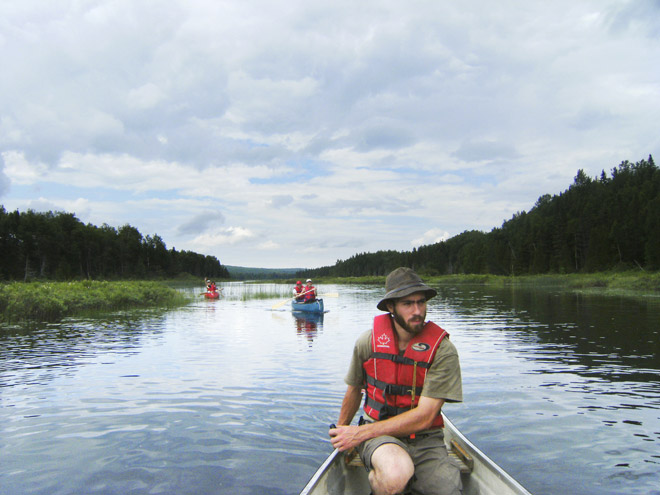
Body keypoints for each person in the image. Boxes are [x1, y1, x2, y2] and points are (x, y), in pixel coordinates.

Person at [329, 267, 463, 495]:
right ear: (391, 307)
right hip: (379, 435)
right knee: (395, 473)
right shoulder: (368, 342)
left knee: (448, 490)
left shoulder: (442, 351)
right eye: (408, 304)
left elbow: (425, 417)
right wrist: (343, 433)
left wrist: (358, 434)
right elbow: (353, 391)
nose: (417, 310)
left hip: (426, 439)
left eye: (421, 302)